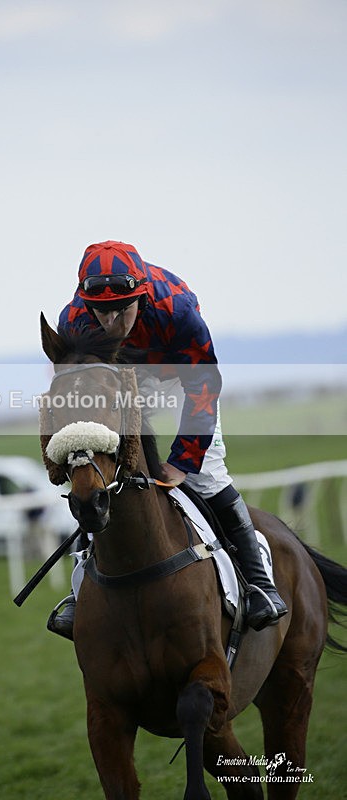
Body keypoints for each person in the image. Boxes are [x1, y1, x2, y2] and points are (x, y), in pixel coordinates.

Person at [48, 240, 287, 639]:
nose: (111, 322)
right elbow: (73, 390)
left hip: (181, 380)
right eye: (101, 311)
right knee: (98, 477)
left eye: (122, 309)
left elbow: (205, 385)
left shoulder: (176, 309)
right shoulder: (73, 320)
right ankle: (80, 593)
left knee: (206, 475)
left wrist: (184, 460)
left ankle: (260, 584)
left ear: (140, 295)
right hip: (118, 386)